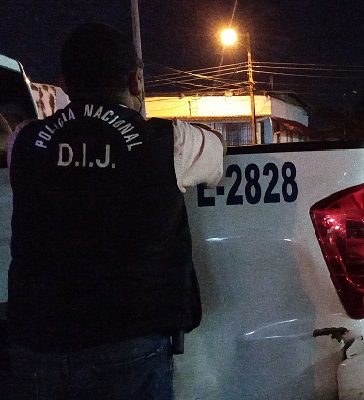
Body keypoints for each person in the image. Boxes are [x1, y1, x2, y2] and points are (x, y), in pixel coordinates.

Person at [5, 22, 226, 400]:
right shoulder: (169, 143)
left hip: (37, 343)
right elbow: (218, 151)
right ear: (136, 82)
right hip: (128, 341)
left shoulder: (24, 142)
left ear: (63, 83)